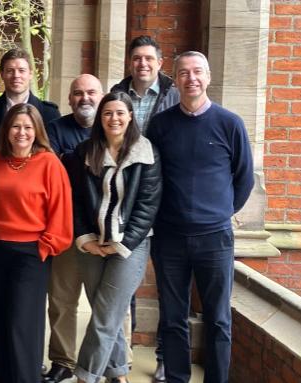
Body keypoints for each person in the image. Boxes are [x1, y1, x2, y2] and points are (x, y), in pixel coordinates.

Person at [146, 51, 253, 383]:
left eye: (197, 72)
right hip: (170, 238)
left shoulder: (229, 123)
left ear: (208, 77)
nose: (191, 78)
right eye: (183, 73)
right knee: (173, 317)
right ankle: (177, 377)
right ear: (174, 80)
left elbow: (244, 178)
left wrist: (219, 212)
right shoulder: (161, 125)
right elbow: (151, 177)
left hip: (215, 239)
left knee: (218, 318)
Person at [66, 92, 162, 383]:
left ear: (131, 116)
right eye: (108, 113)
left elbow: (147, 208)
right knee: (106, 313)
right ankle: (118, 374)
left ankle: (86, 376)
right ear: (100, 117)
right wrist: (87, 240)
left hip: (131, 247)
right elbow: (77, 201)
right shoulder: (85, 151)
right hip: (91, 244)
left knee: (106, 315)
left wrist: (120, 245)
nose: (114, 119)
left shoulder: (147, 153)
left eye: (120, 113)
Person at [0, 48, 60, 375]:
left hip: (31, 252)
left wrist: (45, 247)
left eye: (27, 128)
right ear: (6, 130)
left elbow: (59, 209)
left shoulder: (48, 161)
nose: (21, 132)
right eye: (15, 127)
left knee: (22, 325)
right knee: (1, 319)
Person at [109, 35, 180, 382]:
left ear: (160, 62)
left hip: (166, 200)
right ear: (130, 62)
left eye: (149, 58)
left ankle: (165, 356)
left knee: (169, 284)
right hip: (126, 199)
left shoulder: (173, 93)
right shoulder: (117, 92)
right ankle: (120, 358)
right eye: (137, 58)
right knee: (125, 285)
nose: (142, 64)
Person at [43, 74, 104, 383]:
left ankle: (114, 363)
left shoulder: (112, 126)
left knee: (107, 302)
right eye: (78, 93)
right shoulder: (54, 129)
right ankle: (63, 361)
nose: (85, 98)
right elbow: (53, 175)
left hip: (104, 233)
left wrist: (72, 161)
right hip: (66, 229)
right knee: (62, 301)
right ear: (69, 99)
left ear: (102, 96)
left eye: (91, 92)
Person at [0, 48, 60, 157]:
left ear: (31, 74)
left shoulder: (49, 113)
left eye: (21, 70)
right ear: (2, 74)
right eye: (10, 71)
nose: (16, 76)